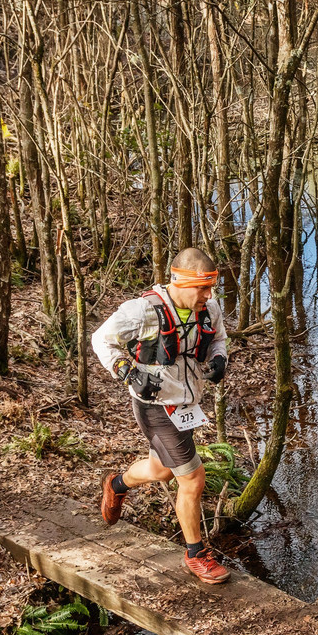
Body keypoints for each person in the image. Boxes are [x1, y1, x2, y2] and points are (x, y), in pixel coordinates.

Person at [91, 248, 231, 585]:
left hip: (186, 404)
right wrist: (125, 370)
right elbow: (101, 340)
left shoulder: (209, 309)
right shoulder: (143, 311)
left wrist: (219, 359)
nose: (209, 296)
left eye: (211, 288)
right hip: (155, 406)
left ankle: (117, 484)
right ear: (181, 282)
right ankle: (195, 554)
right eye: (203, 288)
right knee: (193, 479)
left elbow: (220, 340)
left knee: (162, 469)